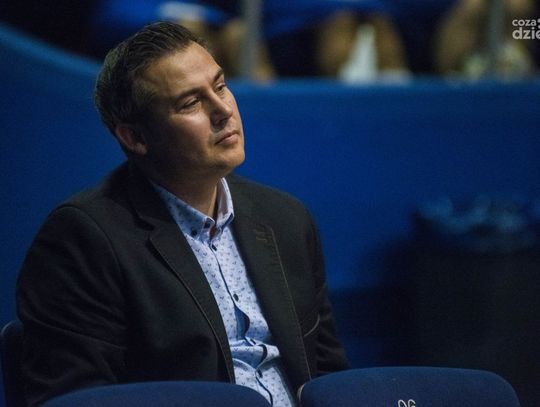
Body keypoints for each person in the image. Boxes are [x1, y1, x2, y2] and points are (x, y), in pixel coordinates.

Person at [16, 22, 349, 407]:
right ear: (135, 137)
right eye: (190, 103)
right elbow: (79, 399)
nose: (223, 110)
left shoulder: (285, 219)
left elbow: (328, 377)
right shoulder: (83, 239)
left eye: (220, 86)